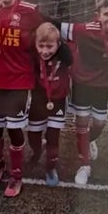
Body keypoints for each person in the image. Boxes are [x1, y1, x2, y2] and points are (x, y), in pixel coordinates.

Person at [0, 0, 44, 199]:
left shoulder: (30, 11)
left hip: (20, 82)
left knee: (15, 130)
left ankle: (16, 176)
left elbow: (49, 32)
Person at [62, 0, 108, 188]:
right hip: (82, 84)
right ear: (98, 14)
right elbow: (58, 27)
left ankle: (87, 141)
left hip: (102, 87)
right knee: (81, 121)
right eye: (107, 14)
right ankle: (84, 166)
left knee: (99, 123)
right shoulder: (86, 30)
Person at [28, 23, 74, 186]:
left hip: (58, 101)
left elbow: (69, 54)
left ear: (58, 44)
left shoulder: (64, 55)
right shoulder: (33, 55)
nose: (45, 51)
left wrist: (60, 44)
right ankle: (37, 149)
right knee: (33, 136)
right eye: (41, 46)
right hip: (37, 101)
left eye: (50, 46)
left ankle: (50, 168)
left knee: (53, 137)